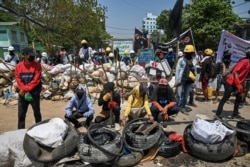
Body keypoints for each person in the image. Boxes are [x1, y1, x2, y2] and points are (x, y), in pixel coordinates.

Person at [215, 48, 250, 119]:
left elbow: (244, 76)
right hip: (231, 82)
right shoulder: (244, 61)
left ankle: (235, 114)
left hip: (237, 83)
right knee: (225, 97)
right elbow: (235, 72)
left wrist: (241, 85)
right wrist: (238, 84)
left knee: (239, 98)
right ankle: (218, 114)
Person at [15, 47, 42, 129]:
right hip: (23, 94)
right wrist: (24, 90)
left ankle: (40, 129)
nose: (33, 57)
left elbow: (36, 80)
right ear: (25, 55)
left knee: (37, 113)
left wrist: (25, 89)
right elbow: (18, 80)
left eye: (33, 55)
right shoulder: (18, 66)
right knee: (21, 115)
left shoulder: (37, 65)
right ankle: (20, 132)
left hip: (34, 93)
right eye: (31, 55)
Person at [174, 44, 196, 115]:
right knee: (178, 94)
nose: (187, 54)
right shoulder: (181, 60)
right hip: (181, 80)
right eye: (186, 52)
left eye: (189, 53)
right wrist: (177, 81)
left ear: (192, 53)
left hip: (189, 81)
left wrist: (194, 82)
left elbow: (194, 71)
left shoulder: (194, 60)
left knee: (185, 95)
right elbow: (177, 70)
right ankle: (177, 107)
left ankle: (182, 107)